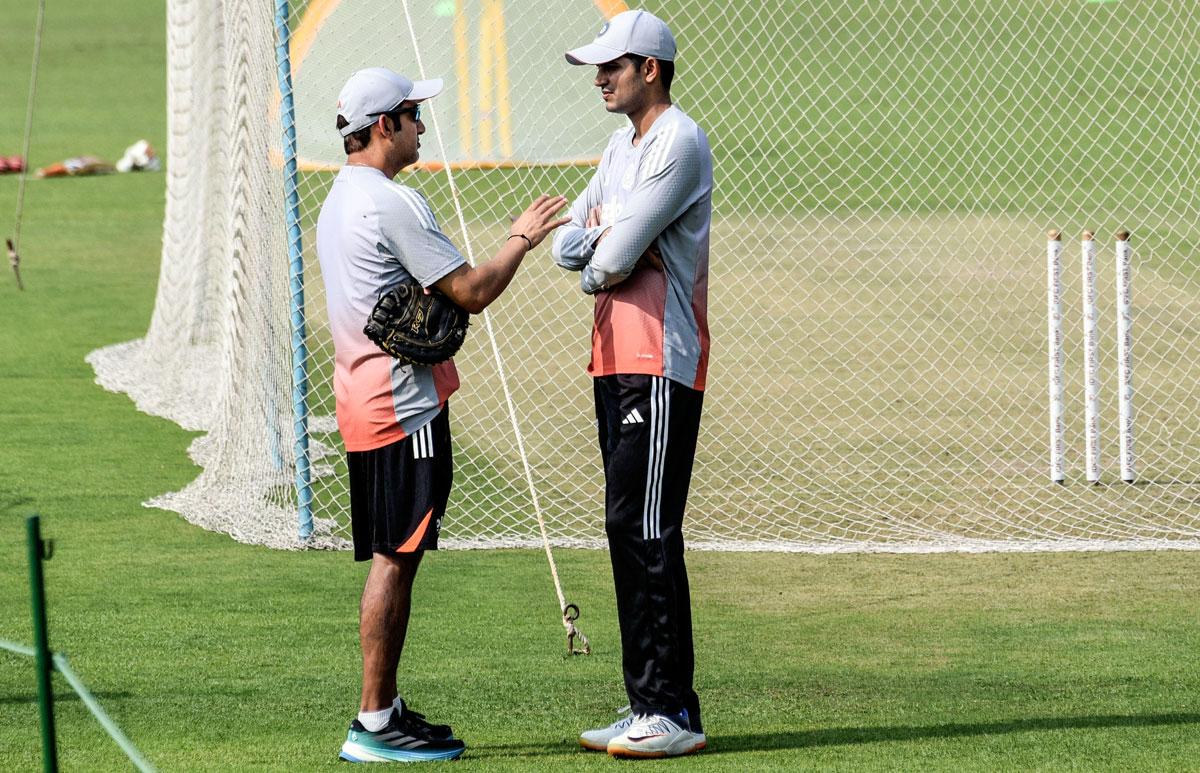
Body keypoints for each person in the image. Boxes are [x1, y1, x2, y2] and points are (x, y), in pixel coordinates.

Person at [315, 66, 568, 763]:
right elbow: (472, 291)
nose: (422, 125)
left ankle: (385, 705)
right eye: (412, 114)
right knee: (396, 561)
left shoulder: (337, 202)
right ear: (382, 126)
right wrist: (521, 236)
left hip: (361, 402)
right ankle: (371, 721)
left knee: (393, 555)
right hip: (403, 408)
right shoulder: (393, 203)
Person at [551, 9, 713, 759]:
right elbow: (572, 246)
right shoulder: (623, 148)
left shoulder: (680, 141)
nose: (600, 78)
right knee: (627, 525)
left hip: (660, 359)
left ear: (651, 68)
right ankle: (651, 698)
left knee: (646, 526)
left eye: (612, 66)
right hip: (613, 357)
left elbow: (611, 258)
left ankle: (670, 710)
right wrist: (609, 240)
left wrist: (610, 242)